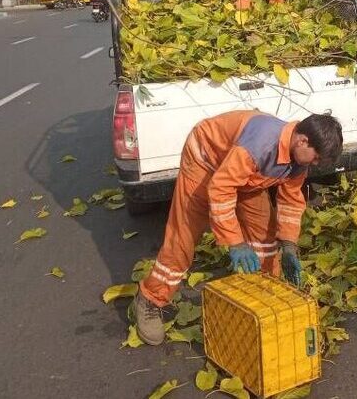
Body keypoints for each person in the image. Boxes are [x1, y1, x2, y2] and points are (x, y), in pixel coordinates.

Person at [134, 110, 343, 346]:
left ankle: (265, 299)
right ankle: (150, 299)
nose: (314, 165)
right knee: (183, 238)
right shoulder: (259, 145)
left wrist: (289, 245)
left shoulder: (297, 158)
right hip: (206, 161)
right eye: (315, 159)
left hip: (247, 175)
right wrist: (235, 242)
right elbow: (221, 188)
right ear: (302, 140)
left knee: (265, 237)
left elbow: (291, 199)